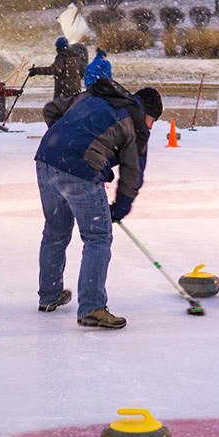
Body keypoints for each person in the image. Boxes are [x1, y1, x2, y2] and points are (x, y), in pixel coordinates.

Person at [34, 77, 163, 329]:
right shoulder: (135, 121)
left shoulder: (94, 97)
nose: (151, 127)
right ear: (147, 112)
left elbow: (51, 109)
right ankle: (92, 307)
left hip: (46, 160)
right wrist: (121, 207)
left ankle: (49, 295)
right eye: (153, 121)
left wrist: (65, 139)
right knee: (98, 237)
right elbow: (132, 172)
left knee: (55, 232)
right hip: (78, 169)